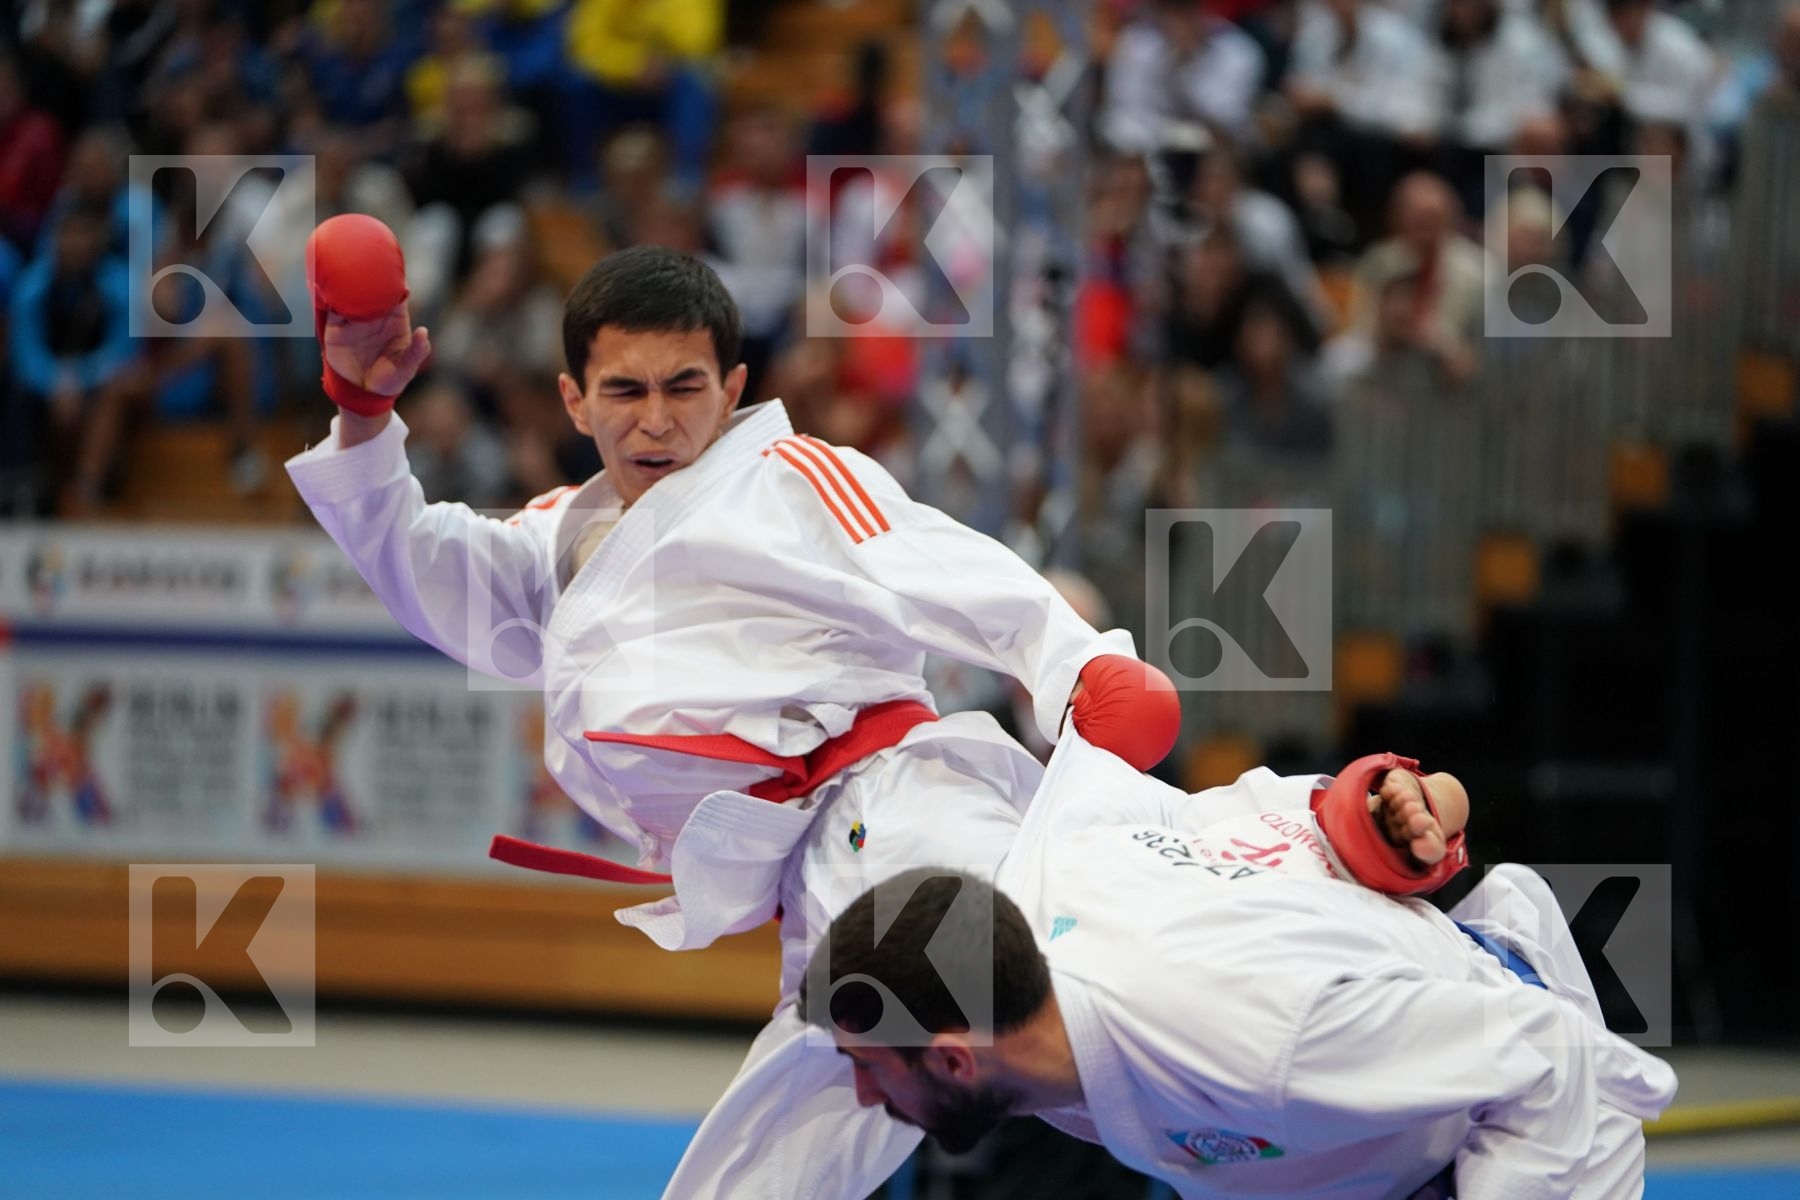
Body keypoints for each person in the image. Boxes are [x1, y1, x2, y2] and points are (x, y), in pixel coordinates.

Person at [289, 218, 1184, 1199]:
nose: (656, 420)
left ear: (733, 390)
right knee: (765, 1176)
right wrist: (362, 411)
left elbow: (946, 567)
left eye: (685, 388)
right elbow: (416, 557)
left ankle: (1288, 1075)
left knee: (1114, 1042)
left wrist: (1084, 666)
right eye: (625, 391)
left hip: (901, 810)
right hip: (814, 883)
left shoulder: (793, 480)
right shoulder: (561, 540)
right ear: (574, 399)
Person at [803, 731, 1677, 1199]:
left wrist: (1414, 806)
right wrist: (1376, 811)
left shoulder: (1251, 1035)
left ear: (955, 1058)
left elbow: (1553, 1057)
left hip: (1527, 1123)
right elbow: (1272, 813)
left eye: (869, 1068)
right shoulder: (1057, 870)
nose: (865, 1096)